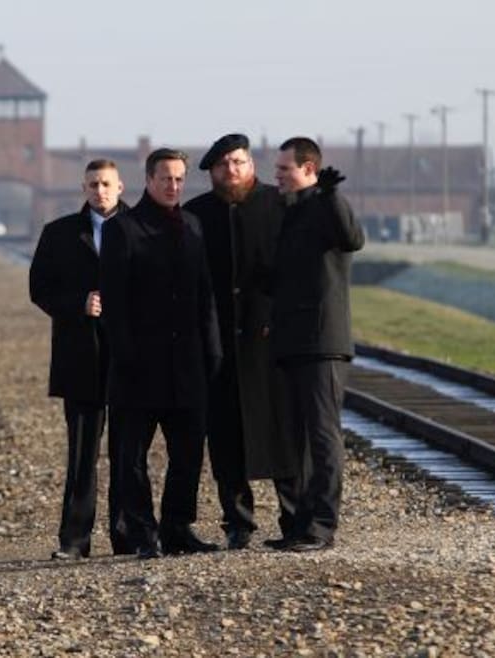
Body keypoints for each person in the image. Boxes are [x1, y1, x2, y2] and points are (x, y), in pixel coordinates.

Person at [99, 148, 222, 559]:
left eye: (179, 179)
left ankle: (177, 528)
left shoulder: (193, 226)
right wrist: (125, 356)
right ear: (149, 180)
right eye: (166, 178)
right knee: (131, 457)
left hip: (187, 364)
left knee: (188, 452)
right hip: (138, 366)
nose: (173, 186)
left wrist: (212, 350)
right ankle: (142, 532)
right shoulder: (124, 229)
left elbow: (205, 296)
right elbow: (114, 304)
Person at [184, 134, 297, 550]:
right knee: (226, 434)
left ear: (252, 165)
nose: (231, 170)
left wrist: (276, 315)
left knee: (283, 429)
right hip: (217, 342)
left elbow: (296, 271)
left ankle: (294, 515)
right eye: (223, 165)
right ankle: (238, 521)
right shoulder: (196, 215)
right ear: (212, 172)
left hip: (270, 339)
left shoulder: (279, 206)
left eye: (238, 162)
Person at [29, 159, 132, 559]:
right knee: (82, 454)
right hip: (80, 354)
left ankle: (127, 536)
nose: (100, 191)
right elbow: (39, 288)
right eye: (93, 184)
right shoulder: (59, 234)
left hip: (129, 356)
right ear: (84, 188)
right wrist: (77, 304)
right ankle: (74, 540)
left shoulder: (139, 228)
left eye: (106, 184)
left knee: (128, 453)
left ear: (120, 186)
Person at [268, 137, 365, 552]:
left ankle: (322, 526)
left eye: (285, 169)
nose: (278, 177)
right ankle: (300, 525)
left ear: (308, 169)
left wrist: (332, 194)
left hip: (322, 342)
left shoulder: (324, 205)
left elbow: (352, 238)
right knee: (298, 441)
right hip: (293, 342)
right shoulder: (291, 213)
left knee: (323, 438)